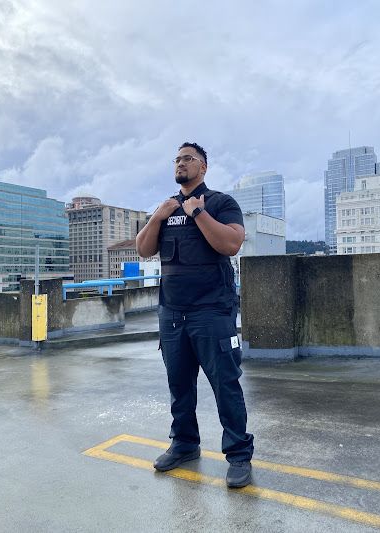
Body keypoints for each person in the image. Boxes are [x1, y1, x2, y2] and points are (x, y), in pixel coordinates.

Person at [136, 142, 254, 488]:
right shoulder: (166, 208)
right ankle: (185, 444)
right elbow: (143, 249)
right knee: (179, 385)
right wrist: (159, 215)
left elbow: (232, 244)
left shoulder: (219, 203)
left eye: (188, 158)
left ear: (203, 167)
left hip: (211, 311)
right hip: (172, 313)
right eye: (177, 158)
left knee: (226, 384)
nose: (180, 163)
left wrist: (199, 213)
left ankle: (238, 455)